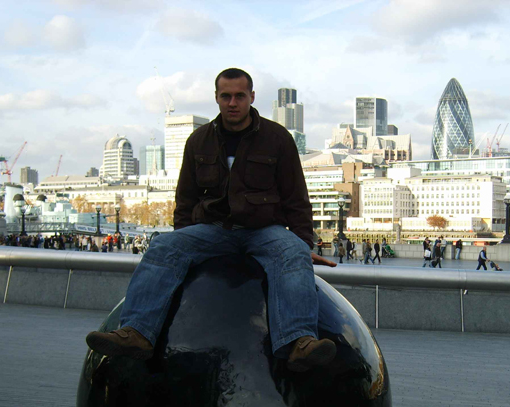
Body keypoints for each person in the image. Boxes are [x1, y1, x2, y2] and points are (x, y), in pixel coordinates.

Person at [86, 68, 338, 372]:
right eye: (226, 96)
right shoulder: (199, 140)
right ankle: (136, 333)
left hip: (264, 230)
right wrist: (185, 241)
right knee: (164, 246)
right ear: (216, 98)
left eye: (239, 96)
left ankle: (299, 342)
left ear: (251, 97)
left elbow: (296, 197)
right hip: (213, 229)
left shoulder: (277, 138)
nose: (232, 103)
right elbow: (186, 198)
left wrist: (303, 243)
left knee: (293, 251)